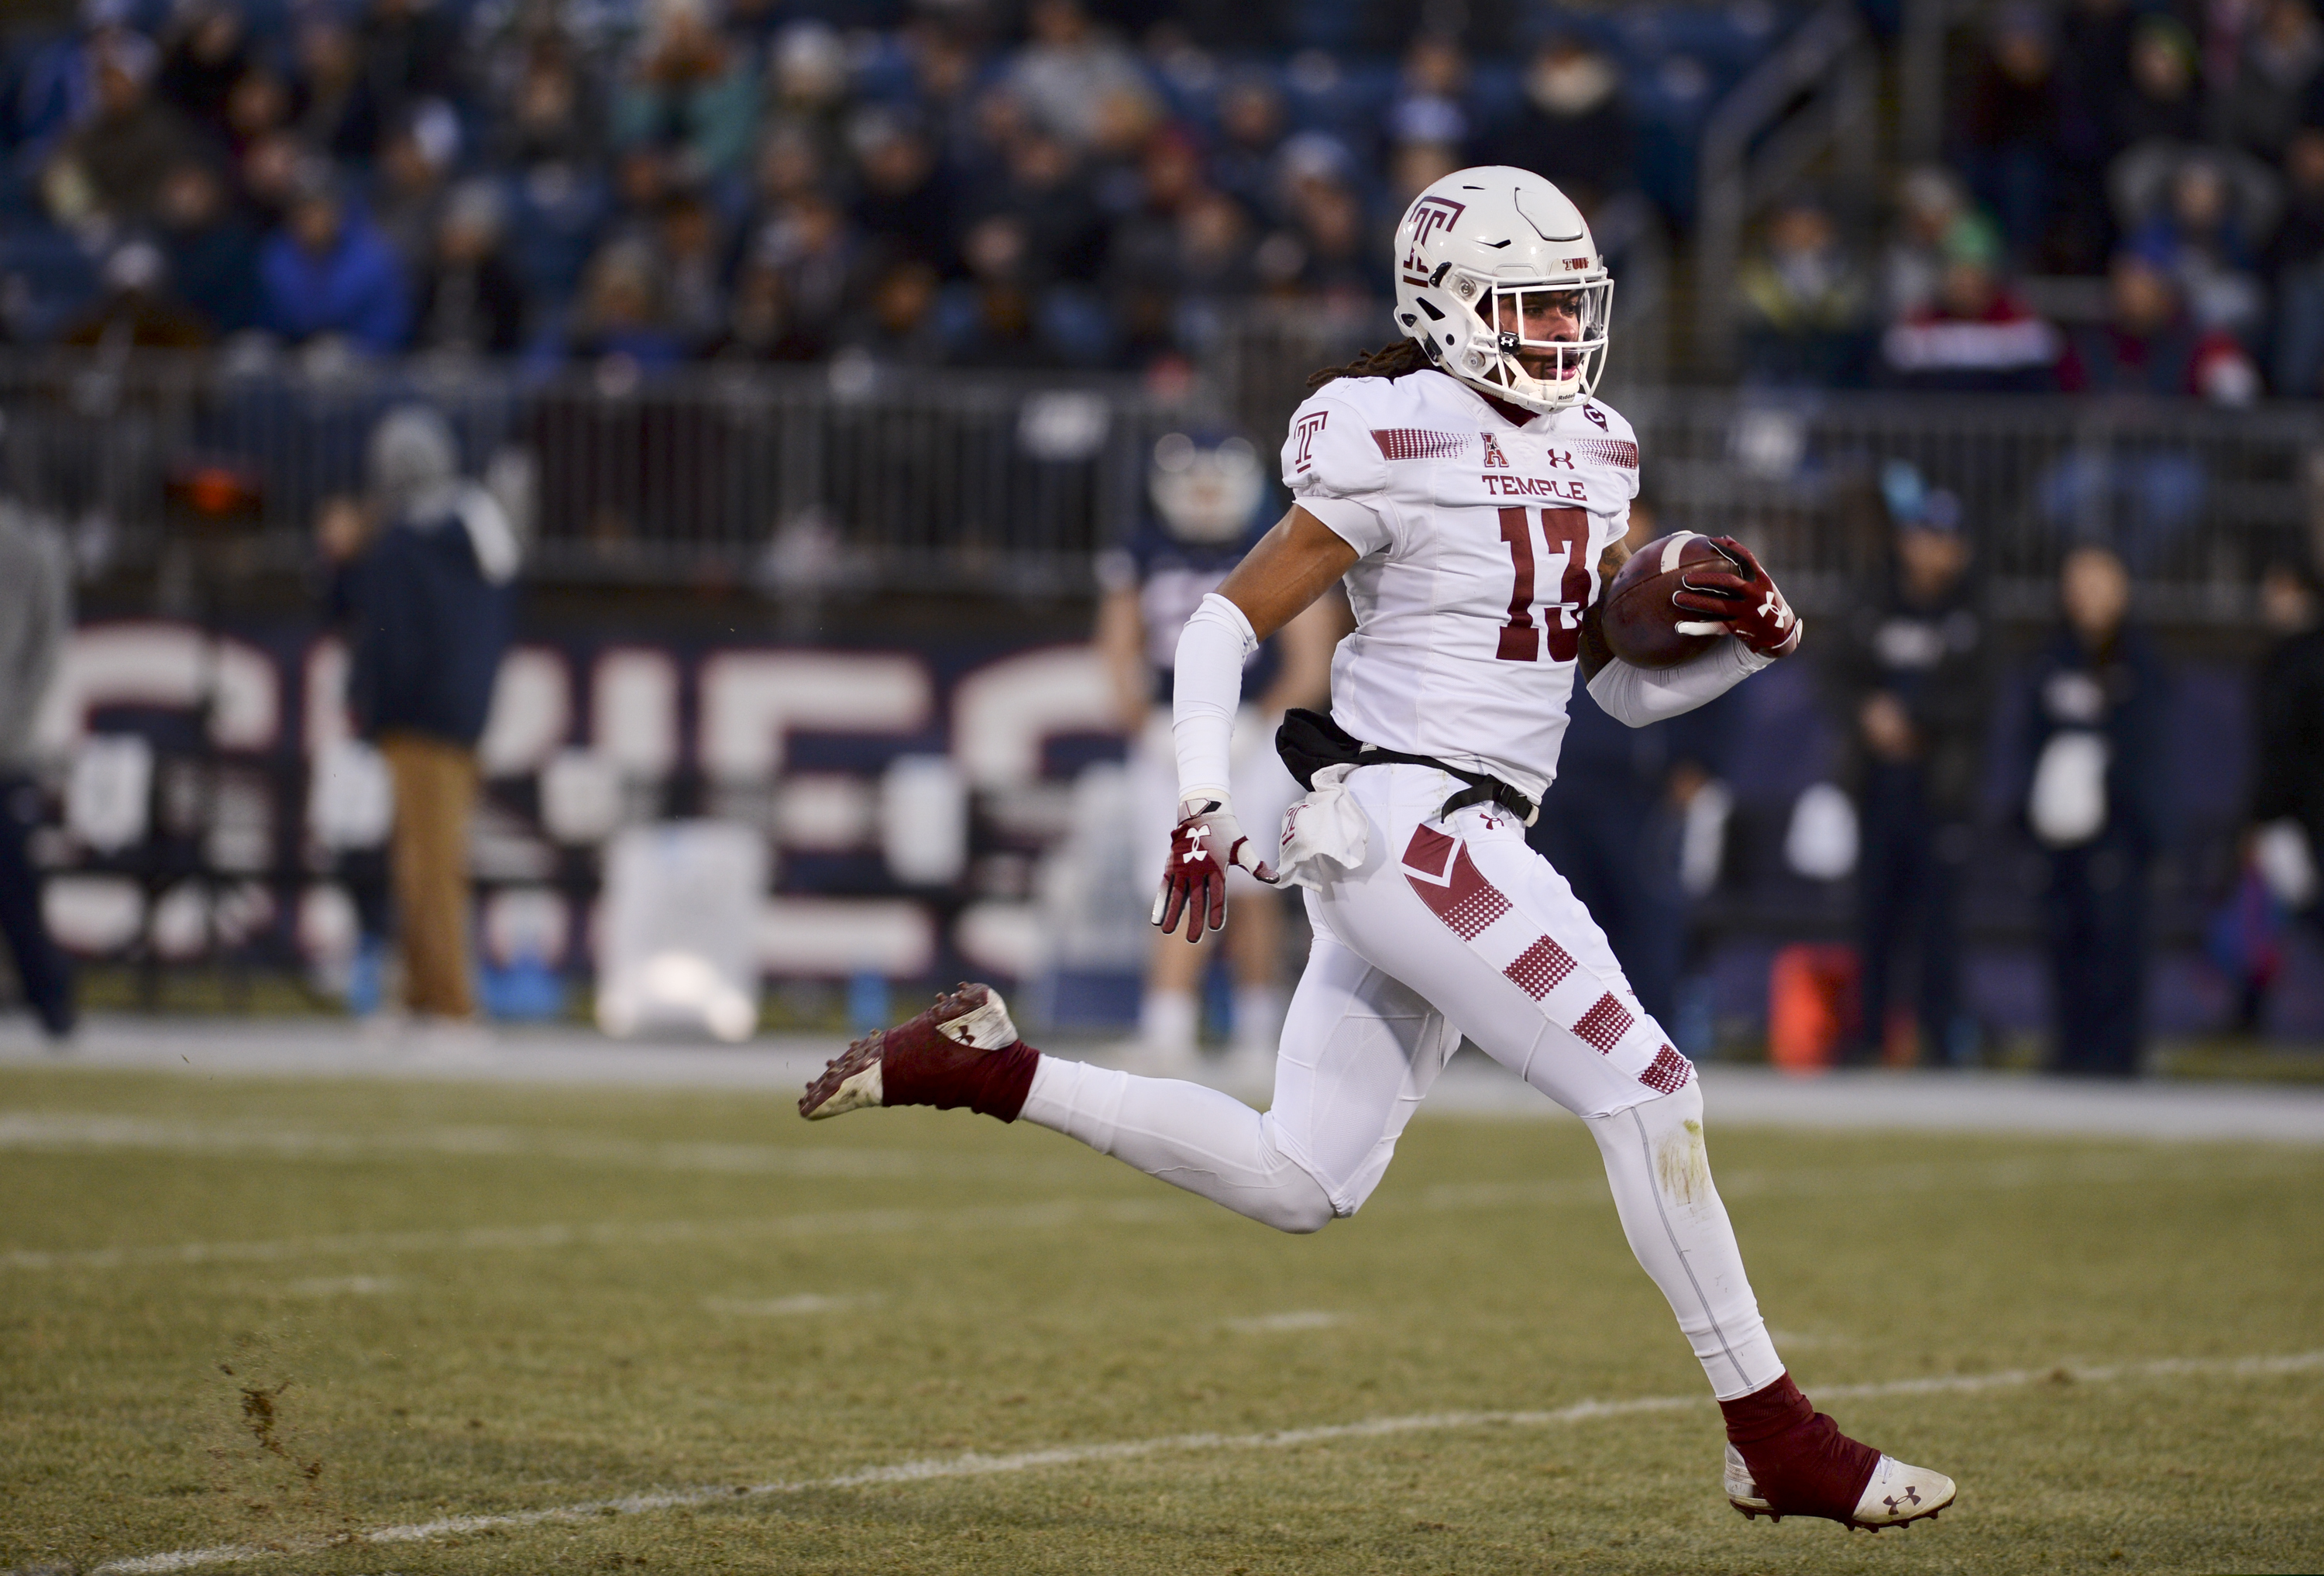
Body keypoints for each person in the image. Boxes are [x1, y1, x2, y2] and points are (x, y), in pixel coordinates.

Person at [801, 167, 1956, 1533]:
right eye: (1525, 308)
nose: (1555, 336)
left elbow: (1619, 688)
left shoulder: (1600, 446)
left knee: (1304, 1175)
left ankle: (990, 1068)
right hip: (1412, 823)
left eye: (1568, 307)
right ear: (1447, 307)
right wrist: (1192, 794)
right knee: (1649, 1087)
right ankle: (1776, 1434)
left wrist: (1764, 643)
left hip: (1439, 829)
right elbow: (1223, 623)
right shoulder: (1388, 426)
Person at [1095, 431, 1336, 1082]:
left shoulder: (1278, 539)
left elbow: (1312, 658)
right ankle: (1170, 1028)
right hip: (1169, 736)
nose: (1204, 499)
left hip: (1249, 739)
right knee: (1178, 873)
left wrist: (1257, 723)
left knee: (1247, 876)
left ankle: (1256, 1031)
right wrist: (1142, 720)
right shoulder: (1142, 548)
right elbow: (1117, 649)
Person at [325, 407, 521, 1030]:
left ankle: (450, 1001)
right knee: (424, 860)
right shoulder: (478, 526)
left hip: (418, 717)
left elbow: (378, 630)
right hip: (462, 712)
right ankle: (418, 991)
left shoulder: (410, 540)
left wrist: (343, 557)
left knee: (428, 865)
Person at [1525, 494, 1721, 1033]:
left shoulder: (1679, 585)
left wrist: (1700, 761)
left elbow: (1720, 671)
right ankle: (1563, 1039)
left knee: (1646, 918)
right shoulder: (1557, 580)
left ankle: (1655, 1040)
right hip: (1557, 782)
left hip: (1641, 788)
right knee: (1561, 921)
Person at [1828, 466, 1992, 1066]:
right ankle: (1869, 1037)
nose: (1931, 551)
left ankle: (1943, 1041)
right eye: (1923, 535)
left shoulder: (1973, 614)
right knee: (1873, 915)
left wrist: (1913, 717)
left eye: (1944, 539)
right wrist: (1867, 716)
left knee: (1939, 922)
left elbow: (1980, 697)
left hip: (1940, 788)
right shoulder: (1874, 598)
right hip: (1878, 783)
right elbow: (1835, 674)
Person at [2022, 545, 2166, 1077]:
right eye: (2077, 583)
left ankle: (2119, 1053)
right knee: (2065, 938)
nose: (2086, 596)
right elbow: (2029, 739)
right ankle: (2072, 1047)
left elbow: (2148, 750)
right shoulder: (2052, 657)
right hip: (2060, 830)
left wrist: (2135, 815)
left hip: (2119, 827)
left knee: (2118, 942)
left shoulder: (2138, 659)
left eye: (2098, 583)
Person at [0, 497, 76, 1043]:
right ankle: (52, 1003)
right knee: (16, 882)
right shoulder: (34, 539)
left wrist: (16, 726)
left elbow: (47, 642)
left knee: (15, 882)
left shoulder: (29, 541)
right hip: (12, 738)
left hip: (8, 748)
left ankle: (52, 1003)